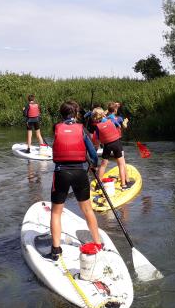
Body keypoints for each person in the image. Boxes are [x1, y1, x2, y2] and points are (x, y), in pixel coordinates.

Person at [46, 100, 102, 261]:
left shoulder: (56, 127)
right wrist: (94, 166)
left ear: (61, 114)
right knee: (87, 210)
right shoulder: (82, 129)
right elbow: (92, 153)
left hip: (61, 173)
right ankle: (97, 243)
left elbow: (57, 146)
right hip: (79, 173)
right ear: (76, 113)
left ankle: (56, 250)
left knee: (56, 213)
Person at [95, 103, 130, 189]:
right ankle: (124, 184)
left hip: (107, 144)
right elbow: (121, 126)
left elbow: (98, 139)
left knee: (103, 165)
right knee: (121, 164)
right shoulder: (115, 119)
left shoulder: (98, 125)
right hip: (116, 142)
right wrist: (125, 122)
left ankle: (98, 185)